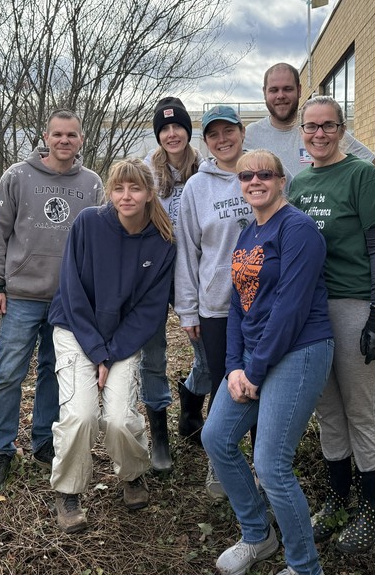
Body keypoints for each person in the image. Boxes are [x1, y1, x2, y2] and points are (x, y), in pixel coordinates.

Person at [202, 149, 333, 575]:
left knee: (271, 464)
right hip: (254, 355)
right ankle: (258, 535)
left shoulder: (299, 230)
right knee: (217, 437)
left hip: (300, 350)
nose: (254, 181)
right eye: (246, 176)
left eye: (264, 174)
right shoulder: (248, 233)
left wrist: (254, 370)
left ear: (280, 181)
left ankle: (303, 565)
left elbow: (289, 309)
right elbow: (238, 306)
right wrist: (234, 366)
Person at [288, 96, 375, 554]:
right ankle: (338, 499)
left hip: (353, 306)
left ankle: (372, 510)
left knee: (362, 412)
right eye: (311, 127)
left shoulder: (363, 176)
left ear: (342, 128)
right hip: (312, 312)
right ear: (302, 133)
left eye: (327, 126)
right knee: (328, 411)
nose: (319, 134)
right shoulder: (298, 184)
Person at [47, 159, 177, 533]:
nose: (126, 196)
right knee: (82, 415)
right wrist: (97, 352)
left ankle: (132, 475)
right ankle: (69, 491)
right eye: (119, 188)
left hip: (123, 338)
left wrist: (113, 352)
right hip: (76, 329)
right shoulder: (88, 223)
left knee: (120, 417)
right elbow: (72, 293)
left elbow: (150, 312)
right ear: (110, 191)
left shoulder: (162, 242)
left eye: (135, 188)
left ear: (150, 193)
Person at [0, 110, 103, 497]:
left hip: (67, 300)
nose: (64, 141)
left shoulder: (92, 184)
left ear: (81, 140)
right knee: (9, 373)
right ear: (45, 137)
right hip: (20, 295)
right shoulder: (17, 176)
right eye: (57, 135)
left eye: (71, 135)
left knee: (54, 371)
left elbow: (100, 242)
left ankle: (43, 442)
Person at [174, 104, 253, 499]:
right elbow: (187, 252)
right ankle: (219, 461)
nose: (223, 140)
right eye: (213, 134)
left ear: (243, 132)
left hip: (263, 305)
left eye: (229, 131)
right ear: (205, 142)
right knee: (225, 387)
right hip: (217, 306)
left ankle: (261, 463)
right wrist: (188, 309)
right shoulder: (196, 188)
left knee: (263, 384)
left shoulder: (264, 172)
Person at [141, 97, 212, 468]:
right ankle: (159, 438)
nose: (172, 134)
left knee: (207, 354)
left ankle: (190, 404)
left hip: (196, 275)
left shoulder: (207, 169)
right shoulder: (147, 173)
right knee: (153, 356)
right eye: (164, 129)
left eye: (178, 127)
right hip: (153, 277)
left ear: (188, 130)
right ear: (158, 135)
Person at [244, 63, 375, 190]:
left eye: (287, 89)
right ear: (264, 92)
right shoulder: (250, 135)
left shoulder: (320, 130)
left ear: (299, 90)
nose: (280, 96)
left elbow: (372, 163)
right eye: (274, 90)